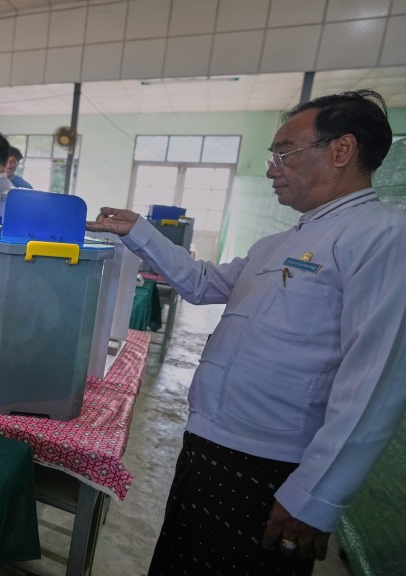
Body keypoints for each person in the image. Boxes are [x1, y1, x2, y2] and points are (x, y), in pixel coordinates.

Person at [87, 89, 406, 576]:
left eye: (285, 152)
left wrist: (315, 496)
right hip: (208, 445)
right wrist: (140, 231)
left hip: (271, 468)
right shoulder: (280, 243)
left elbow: (374, 382)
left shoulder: (381, 236)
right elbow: (200, 283)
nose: (272, 167)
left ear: (341, 151)